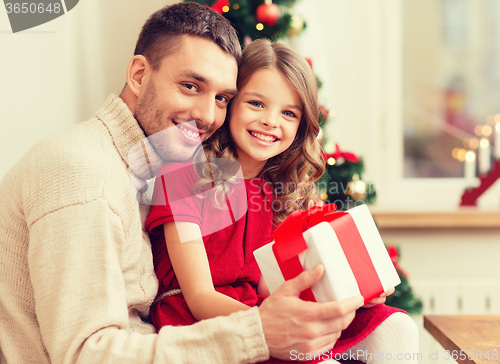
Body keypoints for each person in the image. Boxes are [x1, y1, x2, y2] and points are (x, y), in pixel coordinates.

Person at [0, 3, 364, 364]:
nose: (208, 116)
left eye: (222, 98)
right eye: (190, 86)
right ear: (139, 75)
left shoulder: (157, 165)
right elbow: (86, 355)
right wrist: (257, 333)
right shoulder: (83, 173)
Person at [145, 38, 419, 364]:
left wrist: (355, 295)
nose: (271, 121)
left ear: (301, 126)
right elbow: (200, 297)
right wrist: (272, 325)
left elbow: (273, 287)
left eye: (288, 112)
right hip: (200, 320)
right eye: (257, 104)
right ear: (230, 104)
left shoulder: (279, 191)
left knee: (397, 326)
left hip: (261, 307)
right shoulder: (183, 176)